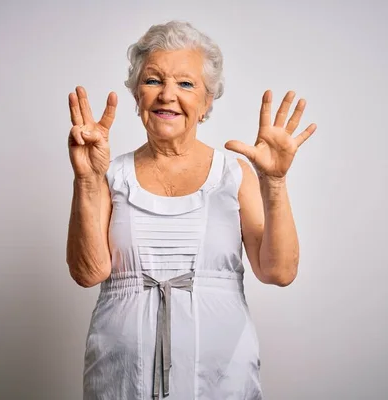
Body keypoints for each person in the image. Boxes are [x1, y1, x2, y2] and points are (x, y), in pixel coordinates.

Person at [66, 20, 316, 400]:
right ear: (137, 96)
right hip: (119, 380)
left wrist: (275, 182)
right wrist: (86, 180)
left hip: (223, 380)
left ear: (207, 102)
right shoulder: (109, 174)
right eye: (153, 81)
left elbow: (279, 272)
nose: (167, 95)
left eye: (185, 84)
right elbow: (88, 273)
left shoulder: (234, 174)